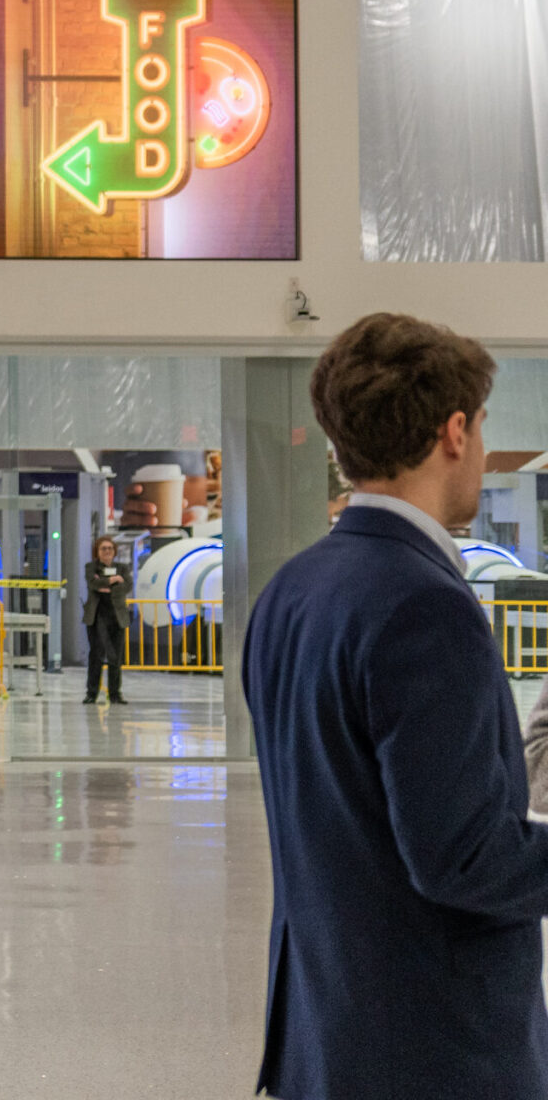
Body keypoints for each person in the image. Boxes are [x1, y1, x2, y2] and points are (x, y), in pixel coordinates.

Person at [245, 313, 548, 1100]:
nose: (480, 451)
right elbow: (462, 861)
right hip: (432, 1049)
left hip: (329, 1029)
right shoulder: (424, 604)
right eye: (481, 428)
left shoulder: (291, 590)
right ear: (454, 432)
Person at [81, 535, 130, 705]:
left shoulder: (122, 568)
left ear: (115, 551)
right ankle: (92, 693)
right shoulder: (91, 567)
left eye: (110, 548)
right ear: (97, 552)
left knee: (116, 657)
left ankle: (115, 693)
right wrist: (112, 580)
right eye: (103, 548)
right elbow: (93, 584)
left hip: (117, 617)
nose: (107, 551)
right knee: (97, 656)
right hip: (97, 617)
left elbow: (126, 586)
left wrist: (105, 585)